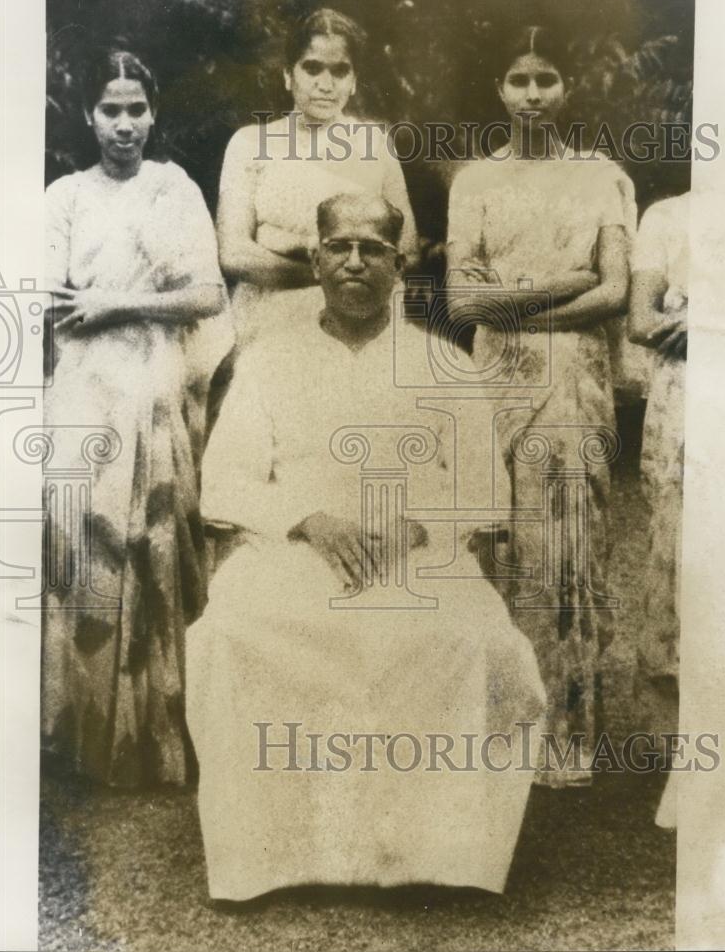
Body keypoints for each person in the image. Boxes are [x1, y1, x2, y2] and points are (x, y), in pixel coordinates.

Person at [186, 193, 545, 901]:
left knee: (470, 635)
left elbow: (481, 486)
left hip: (418, 549)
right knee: (232, 629)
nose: (355, 263)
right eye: (340, 247)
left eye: (372, 249)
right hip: (291, 545)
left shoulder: (444, 363)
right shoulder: (268, 361)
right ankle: (275, 859)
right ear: (315, 258)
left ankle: (436, 857)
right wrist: (310, 520)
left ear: (399, 264)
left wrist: (414, 526)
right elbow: (225, 478)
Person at [446, 25, 634, 787]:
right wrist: (563, 286)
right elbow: (463, 300)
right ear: (500, 90)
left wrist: (517, 306)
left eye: (546, 79)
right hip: (496, 377)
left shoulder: (601, 178)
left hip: (574, 380)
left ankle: (563, 736)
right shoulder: (475, 183)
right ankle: (497, 731)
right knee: (497, 539)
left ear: (566, 91)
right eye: (518, 80)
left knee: (563, 546)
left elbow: (616, 291)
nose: (532, 95)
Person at [43, 50, 233, 788]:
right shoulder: (64, 194)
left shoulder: (174, 187)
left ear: (154, 113)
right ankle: (83, 733)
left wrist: (120, 302)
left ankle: (154, 732)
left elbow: (208, 293)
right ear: (88, 116)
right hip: (85, 386)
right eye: (110, 110)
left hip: (153, 379)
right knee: (83, 542)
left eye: (136, 109)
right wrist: (91, 305)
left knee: (154, 542)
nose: (124, 125)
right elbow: (50, 293)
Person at [216, 7, 418, 346]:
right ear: (287, 75)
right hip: (268, 324)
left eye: (340, 71)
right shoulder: (249, 143)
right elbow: (234, 254)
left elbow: (408, 251)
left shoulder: (374, 144)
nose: (325, 84)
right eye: (312, 68)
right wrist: (340, 271)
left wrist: (277, 241)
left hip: (355, 325)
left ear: (354, 81)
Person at [629, 191, 689, 829]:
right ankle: (690, 762)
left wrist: (716, 322)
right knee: (680, 566)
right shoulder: (668, 216)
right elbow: (641, 322)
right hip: (687, 404)